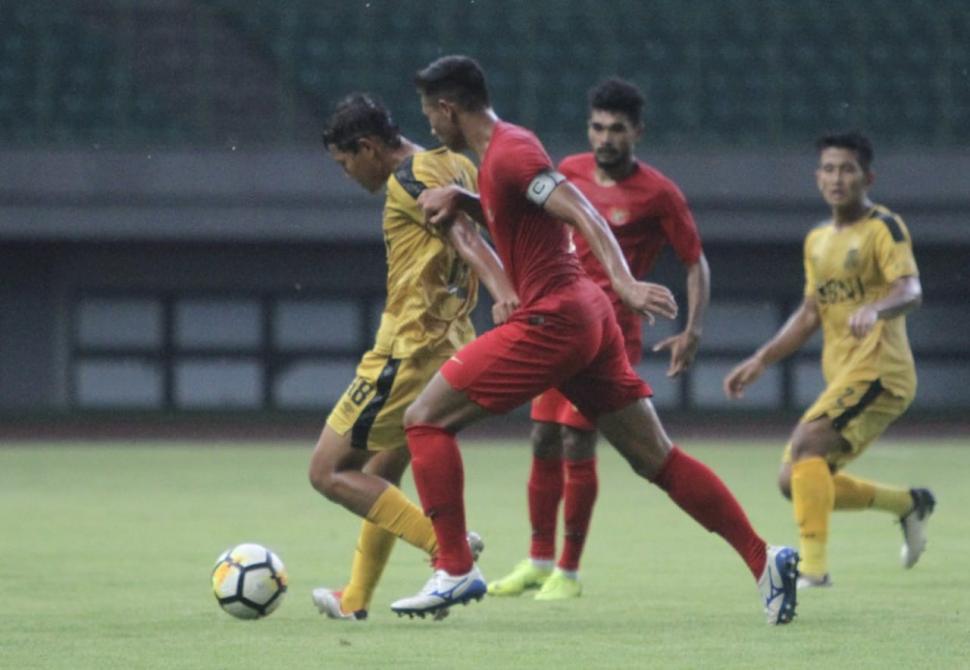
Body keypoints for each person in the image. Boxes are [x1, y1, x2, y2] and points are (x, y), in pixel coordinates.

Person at [391, 55, 798, 625]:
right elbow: (524, 217)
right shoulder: (501, 154)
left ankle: (455, 567)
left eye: (430, 114)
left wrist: (626, 281)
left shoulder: (511, 152)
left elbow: (579, 209)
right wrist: (464, 203)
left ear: (447, 108)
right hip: (587, 317)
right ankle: (765, 558)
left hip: (554, 318)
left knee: (425, 418)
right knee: (656, 458)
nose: (430, 126)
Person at [488, 77, 710, 601]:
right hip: (556, 323)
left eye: (616, 129)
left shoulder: (659, 193)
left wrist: (692, 329)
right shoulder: (566, 172)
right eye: (597, 127)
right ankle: (538, 561)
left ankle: (568, 570)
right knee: (541, 437)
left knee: (577, 439)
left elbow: (694, 261)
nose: (604, 138)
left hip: (611, 334)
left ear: (637, 132)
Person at [307, 92, 518, 621]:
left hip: (406, 350)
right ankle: (355, 597)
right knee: (383, 468)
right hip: (448, 343)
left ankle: (450, 553)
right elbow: (491, 218)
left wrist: (502, 288)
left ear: (369, 147)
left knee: (328, 472)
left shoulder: (408, 180)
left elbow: (463, 231)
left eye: (345, 162)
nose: (347, 173)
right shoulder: (454, 163)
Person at [723, 131, 934, 588]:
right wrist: (762, 359)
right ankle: (908, 504)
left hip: (882, 370)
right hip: (845, 375)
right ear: (818, 177)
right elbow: (809, 313)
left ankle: (814, 573)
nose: (838, 178)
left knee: (806, 446)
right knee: (793, 479)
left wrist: (877, 308)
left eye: (848, 169)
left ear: (867, 177)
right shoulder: (817, 240)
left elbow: (910, 289)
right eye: (830, 169)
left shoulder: (885, 227)